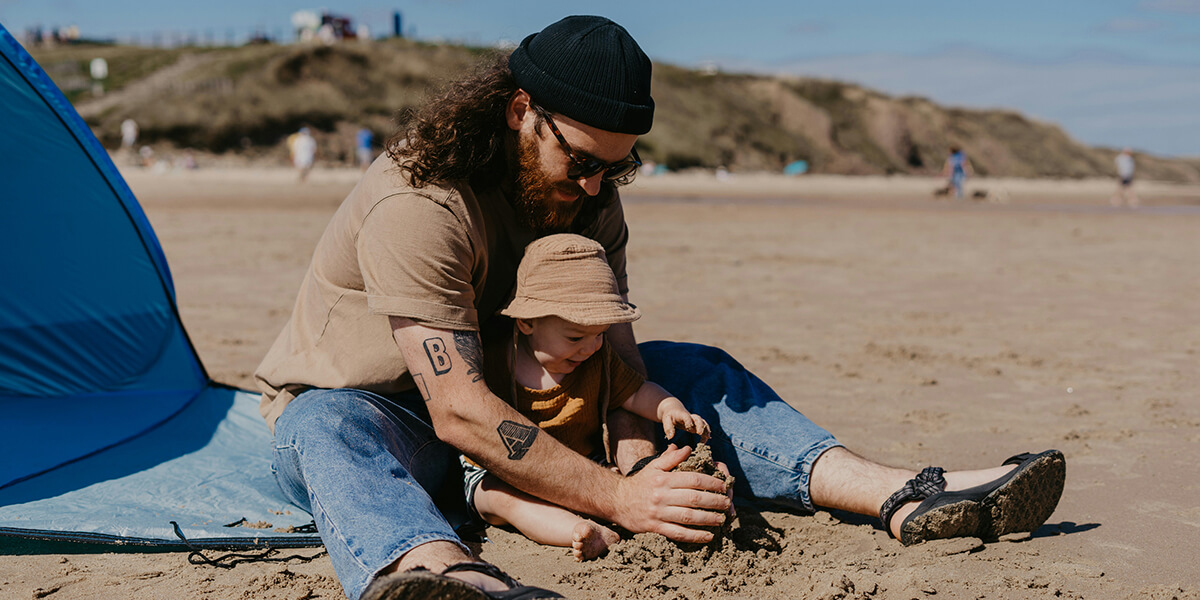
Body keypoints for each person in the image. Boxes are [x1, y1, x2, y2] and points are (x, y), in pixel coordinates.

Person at [255, 16, 1066, 600]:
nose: (593, 186)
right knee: (327, 426)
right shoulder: (422, 203)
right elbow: (458, 411)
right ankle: (439, 574)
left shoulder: (590, 194)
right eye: (577, 159)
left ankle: (901, 492)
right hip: (389, 415)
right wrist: (617, 499)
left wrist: (640, 454)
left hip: (533, 396)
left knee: (697, 371)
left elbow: (620, 357)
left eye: (617, 166)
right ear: (518, 110)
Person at [464, 234, 712, 561]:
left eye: (600, 334)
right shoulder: (493, 363)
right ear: (526, 322)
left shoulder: (596, 359)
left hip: (583, 469)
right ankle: (579, 532)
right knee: (498, 499)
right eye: (576, 336)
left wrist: (668, 406)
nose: (590, 347)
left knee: (618, 478)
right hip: (501, 471)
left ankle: (603, 516)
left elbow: (635, 393)